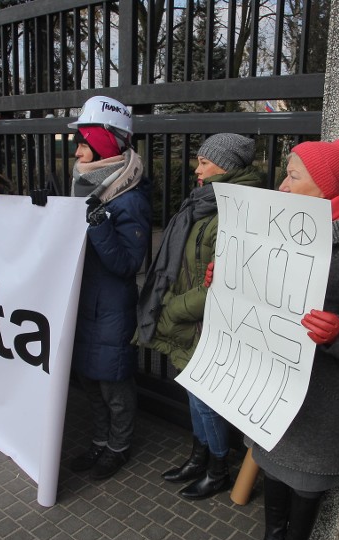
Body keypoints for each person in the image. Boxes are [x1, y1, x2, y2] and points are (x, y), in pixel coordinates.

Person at [238, 139, 339, 540]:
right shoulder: (276, 233)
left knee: (304, 478)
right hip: (277, 382)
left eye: (293, 176)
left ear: (324, 188)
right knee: (273, 464)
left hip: (322, 394)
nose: (281, 186)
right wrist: (227, 276)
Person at [135, 133, 265, 500]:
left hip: (209, 321)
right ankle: (199, 456)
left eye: (205, 162)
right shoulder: (205, 202)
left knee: (206, 399)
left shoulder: (236, 210)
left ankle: (218, 469)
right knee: (194, 392)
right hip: (192, 319)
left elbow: (226, 282)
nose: (197, 168)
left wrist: (173, 309)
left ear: (226, 166)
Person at [66, 96, 152, 480]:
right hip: (84, 304)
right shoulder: (83, 186)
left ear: (102, 144)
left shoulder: (129, 198)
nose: (78, 150)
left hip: (110, 309)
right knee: (90, 382)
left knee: (113, 387)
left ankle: (118, 448)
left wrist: (99, 226)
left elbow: (128, 264)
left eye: (83, 142)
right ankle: (98, 443)